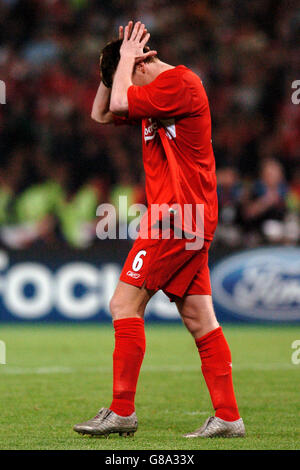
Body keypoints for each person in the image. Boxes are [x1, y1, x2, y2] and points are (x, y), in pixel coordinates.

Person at [73, 21, 245, 439]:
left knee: (123, 305)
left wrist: (127, 60)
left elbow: (118, 104)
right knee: (199, 317)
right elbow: (101, 112)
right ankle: (228, 418)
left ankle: (122, 412)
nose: (124, 87)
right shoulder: (153, 95)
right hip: (187, 217)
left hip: (177, 217)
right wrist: (114, 60)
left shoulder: (181, 83)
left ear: (146, 61)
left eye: (129, 74)